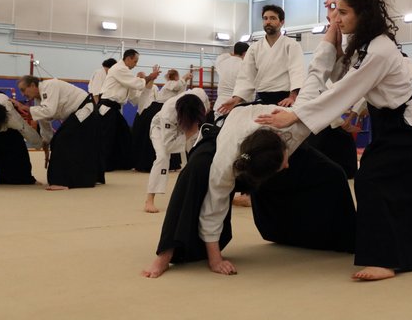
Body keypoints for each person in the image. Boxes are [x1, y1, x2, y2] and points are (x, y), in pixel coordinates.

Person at [256, 0, 412, 281]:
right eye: (336, 12)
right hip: (394, 124)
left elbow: (345, 90)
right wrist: (332, 37)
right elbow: (339, 75)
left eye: (343, 12)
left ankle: (385, 259)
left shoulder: (379, 49)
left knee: (370, 179)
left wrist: (297, 115)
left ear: (363, 14)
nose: (337, 18)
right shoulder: (364, 45)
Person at [141, 98, 355, 277]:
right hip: (227, 137)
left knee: (333, 173)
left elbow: (326, 103)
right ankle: (165, 254)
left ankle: (343, 238)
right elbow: (213, 208)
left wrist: (341, 118)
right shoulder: (225, 163)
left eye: (283, 162)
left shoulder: (295, 126)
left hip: (281, 126)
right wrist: (215, 260)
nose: (287, 166)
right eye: (283, 165)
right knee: (195, 170)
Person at [14, 75, 98, 190]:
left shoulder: (50, 85)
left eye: (23, 90)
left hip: (85, 110)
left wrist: (27, 109)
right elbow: (44, 122)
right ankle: (84, 178)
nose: (23, 94)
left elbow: (49, 111)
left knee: (62, 141)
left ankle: (62, 181)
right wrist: (46, 142)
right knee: (60, 141)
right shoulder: (38, 101)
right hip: (76, 113)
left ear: (33, 85)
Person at [217, 5, 304, 114]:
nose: (268, 22)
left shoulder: (291, 45)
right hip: (262, 98)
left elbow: (296, 71)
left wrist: (293, 97)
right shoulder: (254, 48)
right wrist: (236, 99)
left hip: (285, 100)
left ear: (282, 22)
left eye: (273, 18)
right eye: (265, 18)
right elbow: (246, 76)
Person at [144, 88, 210, 213]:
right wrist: (189, 134)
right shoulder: (168, 112)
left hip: (189, 128)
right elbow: (169, 145)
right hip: (160, 129)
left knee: (197, 156)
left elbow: (207, 107)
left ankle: (201, 193)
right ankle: (149, 200)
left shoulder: (199, 95)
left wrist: (194, 128)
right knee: (163, 157)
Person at [96, 50, 160, 171]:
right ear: (128, 58)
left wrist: (150, 81)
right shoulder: (119, 68)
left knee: (124, 135)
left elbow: (135, 98)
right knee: (107, 138)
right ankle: (102, 165)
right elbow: (136, 83)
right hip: (107, 107)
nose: (136, 64)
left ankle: (120, 163)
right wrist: (150, 77)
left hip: (114, 109)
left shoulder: (125, 74)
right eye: (135, 61)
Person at [132, 69, 189, 173]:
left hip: (162, 109)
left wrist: (185, 80)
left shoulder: (175, 85)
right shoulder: (170, 84)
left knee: (167, 135)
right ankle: (153, 162)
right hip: (158, 109)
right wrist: (184, 78)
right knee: (161, 136)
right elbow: (177, 87)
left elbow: (180, 92)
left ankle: (170, 163)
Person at [213, 42, 249, 111]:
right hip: (237, 105)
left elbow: (221, 56)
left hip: (220, 105)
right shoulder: (245, 66)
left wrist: (234, 54)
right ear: (245, 53)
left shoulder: (222, 62)